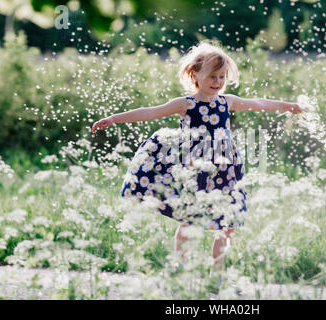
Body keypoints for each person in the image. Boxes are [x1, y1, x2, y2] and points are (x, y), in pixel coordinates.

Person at [91, 41, 303, 272]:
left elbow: (259, 103)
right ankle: (181, 270)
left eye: (222, 77)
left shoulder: (226, 101)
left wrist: (288, 106)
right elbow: (150, 112)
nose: (218, 82)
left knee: (227, 223)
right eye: (212, 77)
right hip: (194, 170)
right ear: (195, 74)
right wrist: (114, 118)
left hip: (225, 169)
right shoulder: (186, 104)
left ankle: (218, 273)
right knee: (189, 220)